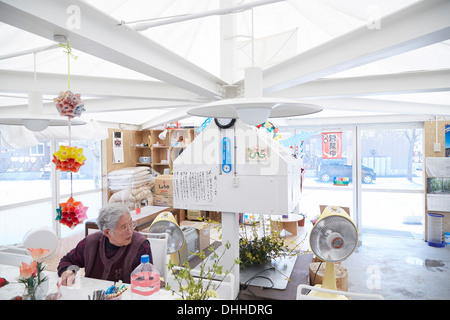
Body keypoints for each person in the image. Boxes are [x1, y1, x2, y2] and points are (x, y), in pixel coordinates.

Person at [58, 203, 152, 285]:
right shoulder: (90, 243)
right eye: (124, 227)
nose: (130, 231)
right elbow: (67, 260)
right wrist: (67, 271)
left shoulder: (141, 245)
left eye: (131, 224)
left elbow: (147, 283)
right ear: (107, 232)